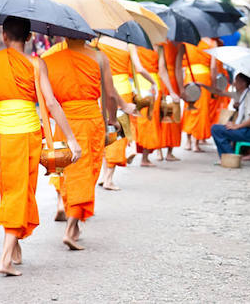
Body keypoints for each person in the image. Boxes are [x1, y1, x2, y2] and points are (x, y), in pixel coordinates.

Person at [0, 17, 81, 275]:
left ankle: (15, 246)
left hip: (2, 135)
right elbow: (52, 104)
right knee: (20, 192)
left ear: (3, 35)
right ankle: (4, 259)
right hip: (26, 135)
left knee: (9, 188)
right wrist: (71, 139)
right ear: (30, 37)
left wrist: (4, 92)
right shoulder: (36, 64)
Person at [42, 37, 117, 250]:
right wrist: (111, 120)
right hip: (90, 121)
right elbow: (109, 95)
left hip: (63, 122)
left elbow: (47, 99)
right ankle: (71, 227)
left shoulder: (49, 59)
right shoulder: (99, 57)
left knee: (68, 172)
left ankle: (72, 222)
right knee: (85, 173)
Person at [92, 38, 138, 189]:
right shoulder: (127, 45)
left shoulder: (97, 43)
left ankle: (105, 174)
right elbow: (136, 69)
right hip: (122, 90)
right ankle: (109, 179)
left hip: (101, 91)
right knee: (117, 131)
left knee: (106, 129)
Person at [210, 73, 250, 157]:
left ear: (243, 83)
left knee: (216, 129)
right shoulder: (244, 94)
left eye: (236, 81)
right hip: (249, 130)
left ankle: (230, 156)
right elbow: (220, 92)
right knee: (219, 128)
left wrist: (237, 126)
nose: (234, 83)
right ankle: (228, 156)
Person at [181, 39, 215, 152]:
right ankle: (196, 143)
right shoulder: (211, 43)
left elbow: (181, 63)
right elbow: (213, 67)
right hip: (204, 79)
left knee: (189, 108)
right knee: (201, 110)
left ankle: (188, 142)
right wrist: (214, 86)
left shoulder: (187, 42)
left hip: (189, 77)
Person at [135, 45, 163, 166]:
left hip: (137, 85)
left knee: (139, 122)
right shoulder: (158, 48)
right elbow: (162, 70)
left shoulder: (133, 46)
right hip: (152, 86)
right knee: (149, 122)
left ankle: (136, 151)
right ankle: (145, 158)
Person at [159, 40, 184, 161]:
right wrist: (181, 89)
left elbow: (160, 66)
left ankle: (158, 152)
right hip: (173, 81)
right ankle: (169, 153)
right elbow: (178, 68)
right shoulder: (179, 45)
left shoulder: (160, 42)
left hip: (161, 81)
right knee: (173, 117)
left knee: (160, 114)